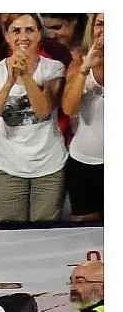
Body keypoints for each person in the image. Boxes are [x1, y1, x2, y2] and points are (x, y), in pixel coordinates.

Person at [0, 14, 67, 223]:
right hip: (8, 166)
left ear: (39, 35)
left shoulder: (53, 68)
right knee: (11, 236)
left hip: (48, 166)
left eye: (29, 30)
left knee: (44, 235)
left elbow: (43, 111)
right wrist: (9, 81)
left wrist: (25, 76)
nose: (23, 36)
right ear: (7, 36)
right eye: (16, 30)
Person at [60, 15, 103, 223]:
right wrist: (86, 69)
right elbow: (68, 108)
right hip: (85, 163)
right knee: (87, 236)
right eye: (100, 24)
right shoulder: (78, 65)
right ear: (91, 29)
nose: (105, 30)